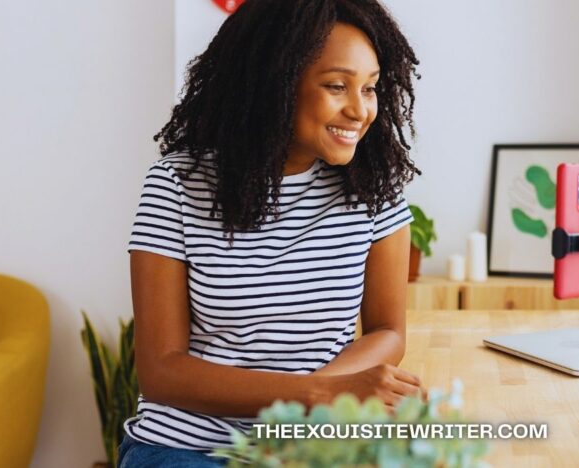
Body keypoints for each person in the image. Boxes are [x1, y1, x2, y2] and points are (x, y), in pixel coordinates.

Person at [119, 1, 424, 465]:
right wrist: (317, 395)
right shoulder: (177, 184)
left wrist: (307, 413)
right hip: (188, 447)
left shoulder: (373, 187)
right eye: (337, 86)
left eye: (370, 87)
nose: (360, 110)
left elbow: (387, 331)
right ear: (275, 81)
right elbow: (161, 371)